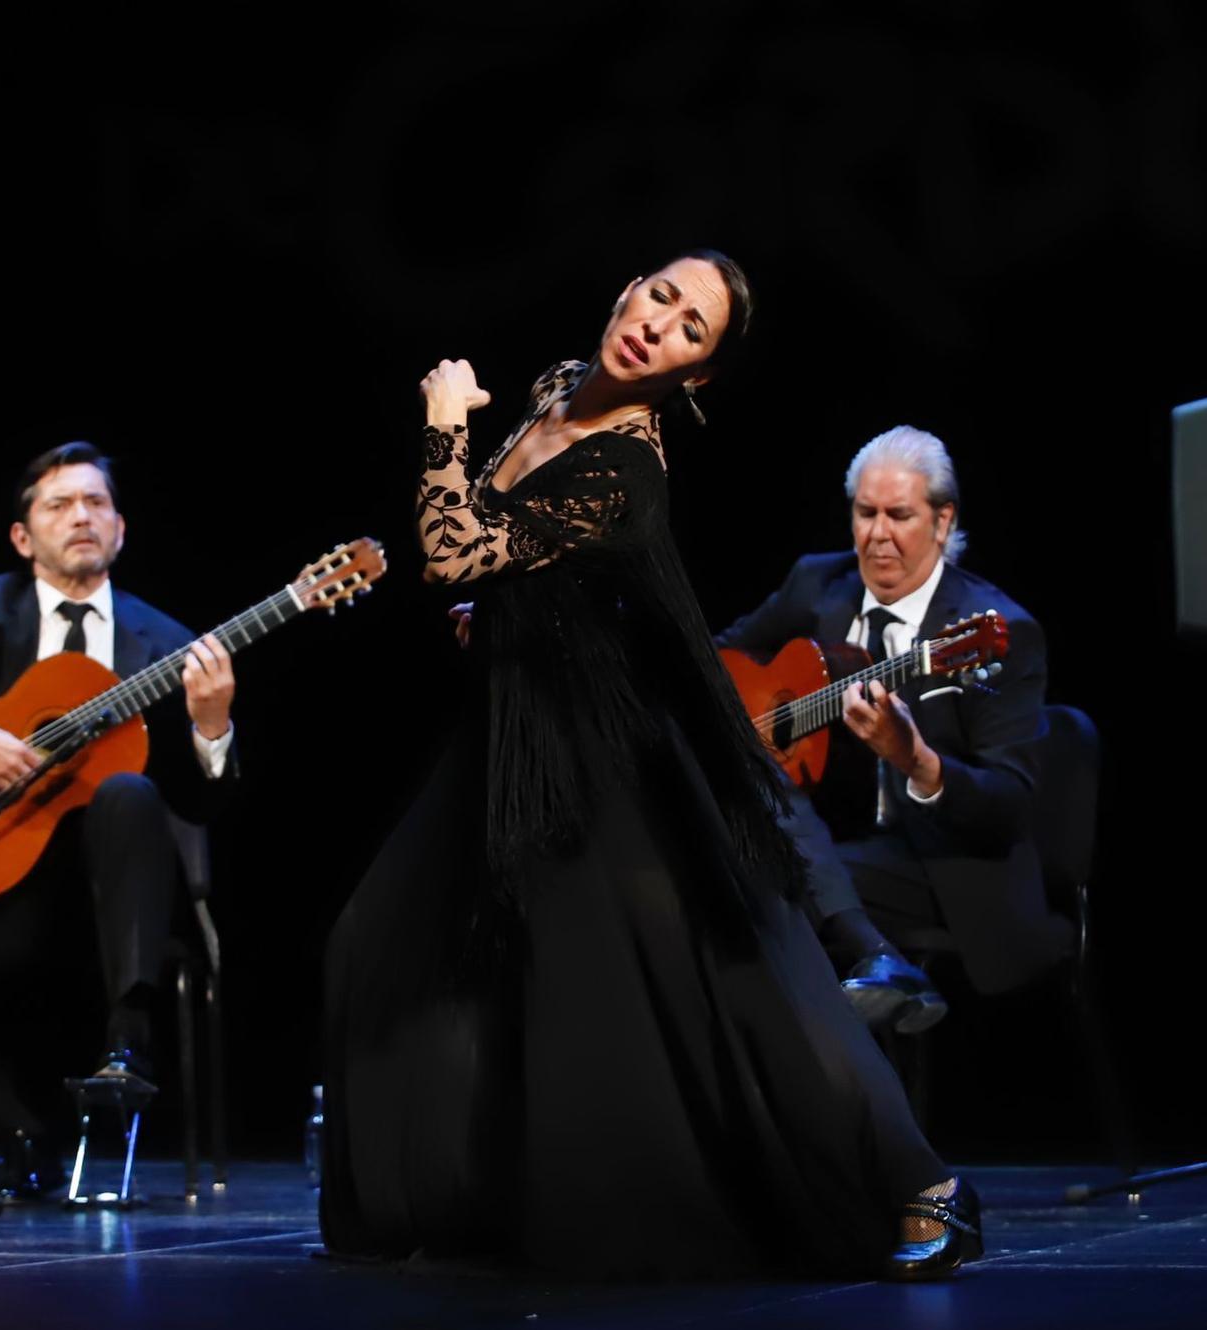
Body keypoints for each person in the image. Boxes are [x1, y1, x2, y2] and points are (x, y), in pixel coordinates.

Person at [320, 253, 980, 1280]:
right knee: (381, 940)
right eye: (662, 298)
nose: (658, 327)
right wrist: (498, 611)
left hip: (604, 744)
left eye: (690, 333)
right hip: (516, 727)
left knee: (740, 970)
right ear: (628, 288)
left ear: (694, 377)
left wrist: (444, 422)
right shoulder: (551, 386)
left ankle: (921, 1182)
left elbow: (451, 547)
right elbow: (510, 554)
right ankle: (452, 1193)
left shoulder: (625, 463)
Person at [0, 442, 239, 1174]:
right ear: (24, 537)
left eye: (96, 503)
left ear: (120, 529)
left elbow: (200, 804)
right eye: (59, 505)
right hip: (1, 884)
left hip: (114, 905)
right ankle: (7, 1136)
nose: (81, 517)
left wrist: (211, 727)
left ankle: (126, 1050)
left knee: (127, 790)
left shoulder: (167, 645)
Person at [715, 426, 1064, 1000]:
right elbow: (719, 660)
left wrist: (916, 759)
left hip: (939, 862)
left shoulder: (995, 629)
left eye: (899, 515)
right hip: (828, 832)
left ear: (942, 521)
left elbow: (1009, 807)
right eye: (865, 513)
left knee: (759, 880)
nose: (878, 535)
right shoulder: (818, 584)